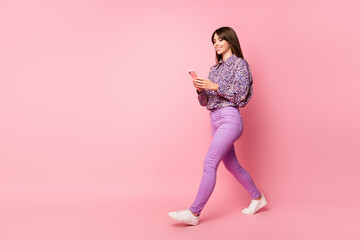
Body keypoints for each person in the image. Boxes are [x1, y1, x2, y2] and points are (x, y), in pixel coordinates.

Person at [168, 27, 267, 226]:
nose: (217, 43)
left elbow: (240, 95)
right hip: (215, 118)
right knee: (232, 165)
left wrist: (214, 86)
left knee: (210, 162)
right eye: (214, 41)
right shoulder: (215, 69)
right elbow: (206, 102)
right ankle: (258, 198)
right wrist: (200, 90)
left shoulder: (240, 64)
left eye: (221, 39)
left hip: (230, 119)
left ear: (230, 40)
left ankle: (194, 213)